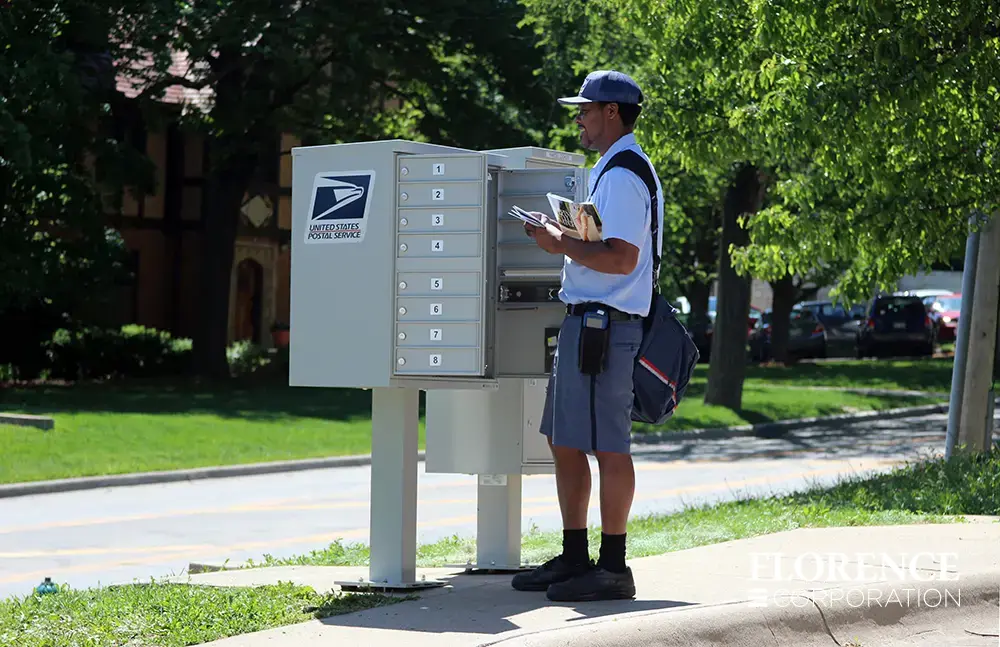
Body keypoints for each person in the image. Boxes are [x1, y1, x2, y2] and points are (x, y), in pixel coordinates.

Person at [511, 69, 663, 601]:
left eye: (586, 109)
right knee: (565, 439)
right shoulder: (611, 169)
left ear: (612, 113)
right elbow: (606, 246)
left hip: (607, 327)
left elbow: (622, 257)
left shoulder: (622, 174)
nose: (578, 118)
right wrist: (565, 236)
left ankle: (613, 566)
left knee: (608, 447)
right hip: (589, 323)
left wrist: (559, 245)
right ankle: (576, 557)